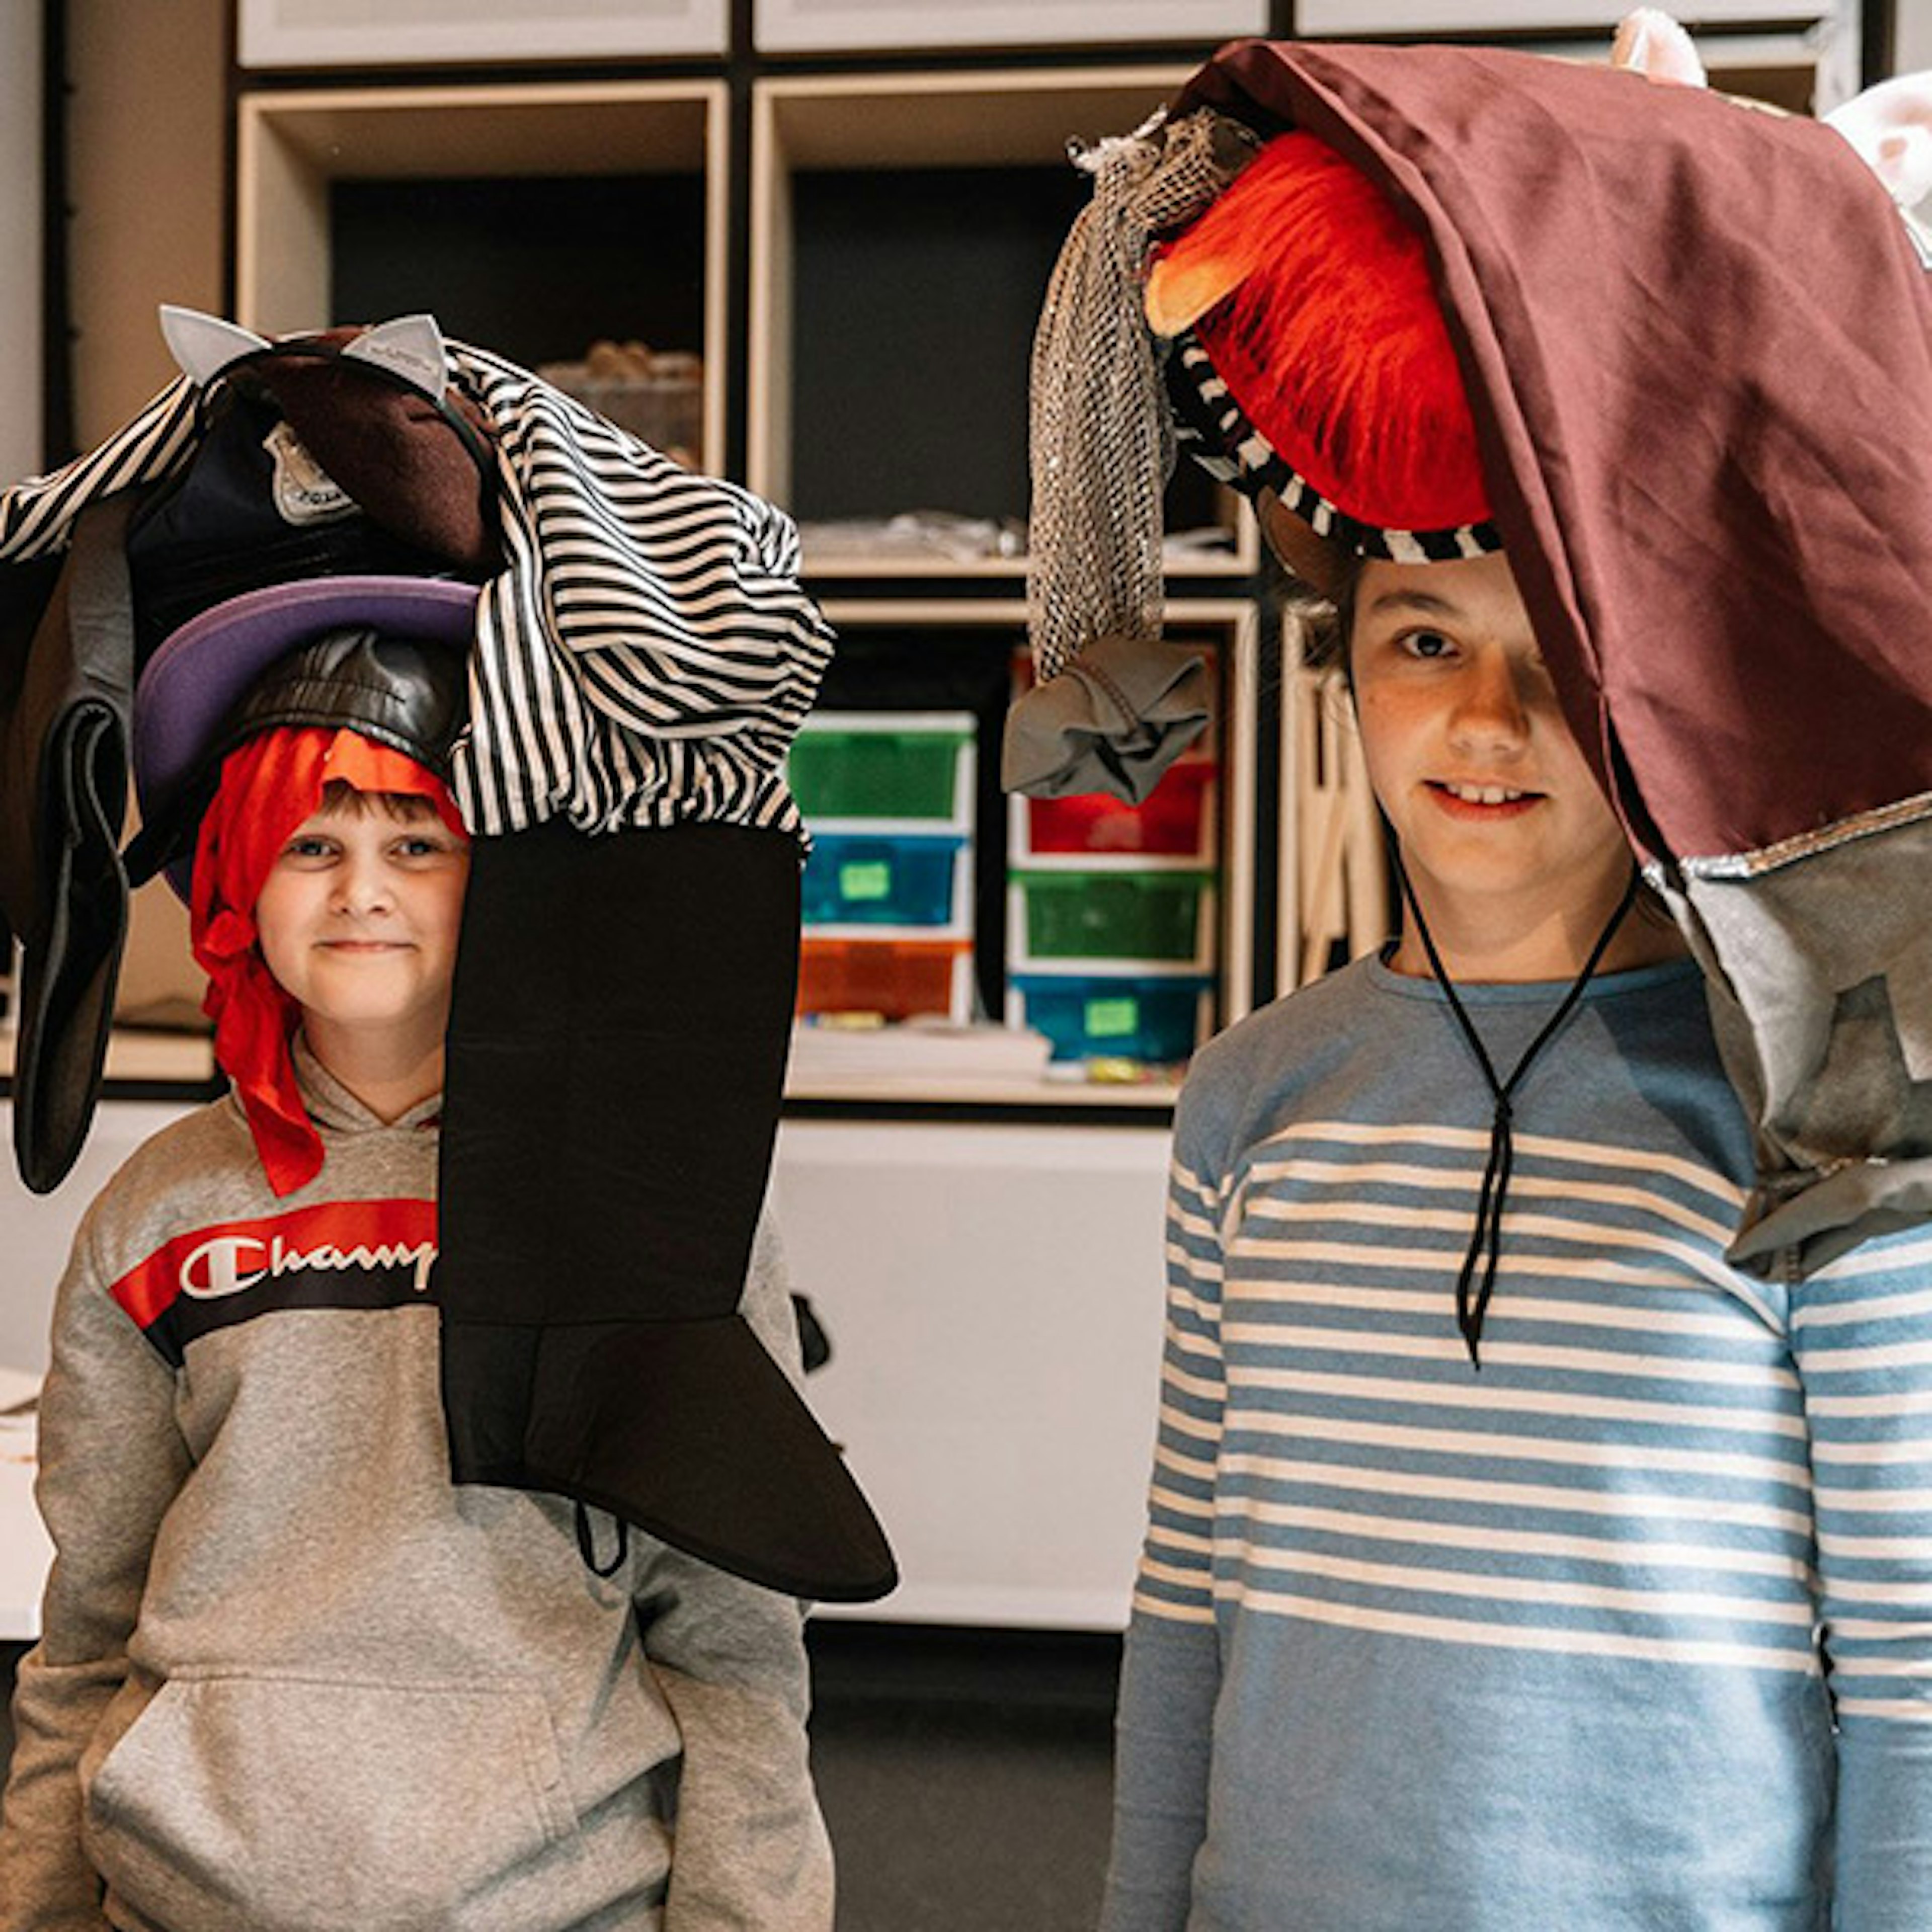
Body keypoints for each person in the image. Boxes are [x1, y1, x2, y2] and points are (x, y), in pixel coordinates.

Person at [1004, 37, 1932, 1931]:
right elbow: (1187, 1608)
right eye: (1425, 640)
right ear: (1350, 677)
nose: (1486, 720)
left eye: (1555, 665)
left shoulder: (1829, 1094)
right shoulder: (1255, 1097)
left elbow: (1916, 1678)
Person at [0, 584, 833, 1932]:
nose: (362, 892)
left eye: (417, 842)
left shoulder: (649, 1196)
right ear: (241, 883)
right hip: (179, 1897)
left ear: (496, 875)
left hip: (548, 1900)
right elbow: (85, 1631)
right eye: (311, 845)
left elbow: (740, 1650)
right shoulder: (157, 1215)